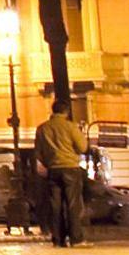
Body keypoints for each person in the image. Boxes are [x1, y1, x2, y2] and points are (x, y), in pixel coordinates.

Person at [34, 97, 90, 246]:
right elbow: (83, 147)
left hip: (53, 170)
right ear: (66, 111)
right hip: (70, 168)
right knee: (73, 204)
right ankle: (76, 238)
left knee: (55, 205)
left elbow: (38, 152)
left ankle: (58, 239)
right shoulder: (70, 127)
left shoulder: (42, 128)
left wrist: (49, 162)